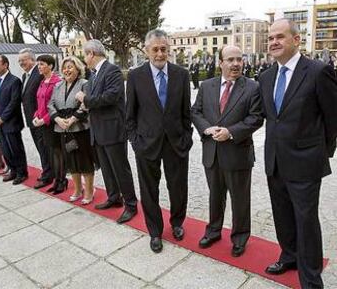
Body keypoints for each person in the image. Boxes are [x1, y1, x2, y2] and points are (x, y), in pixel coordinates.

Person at [259, 19, 337, 289]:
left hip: (306, 164)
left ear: (296, 40)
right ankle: (289, 256)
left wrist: (320, 153)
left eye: (280, 36)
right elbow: (267, 117)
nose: (274, 42)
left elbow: (332, 117)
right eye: (270, 38)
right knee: (282, 216)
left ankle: (311, 279)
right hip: (275, 161)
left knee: (306, 222)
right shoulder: (266, 76)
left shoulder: (318, 71)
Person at [191, 45, 263, 257]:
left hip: (238, 153)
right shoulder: (207, 86)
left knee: (240, 199)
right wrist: (206, 128)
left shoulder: (252, 87)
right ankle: (213, 231)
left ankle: (240, 237)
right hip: (211, 153)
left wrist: (230, 132)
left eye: (239, 59)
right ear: (220, 63)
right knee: (215, 196)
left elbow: (256, 117)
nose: (236, 64)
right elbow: (195, 111)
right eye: (230, 59)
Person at [126, 29, 193, 253]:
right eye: (155, 49)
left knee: (178, 187)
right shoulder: (135, 76)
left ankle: (177, 223)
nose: (160, 53)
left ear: (169, 50)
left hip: (176, 143)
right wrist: (135, 141)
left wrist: (186, 138)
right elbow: (130, 115)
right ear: (147, 50)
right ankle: (155, 231)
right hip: (146, 144)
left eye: (164, 49)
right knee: (149, 190)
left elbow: (186, 112)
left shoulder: (182, 75)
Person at [75, 39, 138, 224]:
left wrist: (86, 100)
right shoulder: (94, 74)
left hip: (113, 129)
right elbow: (97, 100)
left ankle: (131, 204)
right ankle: (114, 197)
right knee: (107, 168)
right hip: (98, 129)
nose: (84, 58)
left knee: (120, 169)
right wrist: (86, 106)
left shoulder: (112, 70)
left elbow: (111, 96)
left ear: (91, 54)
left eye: (85, 54)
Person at [49, 56, 96, 201]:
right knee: (71, 161)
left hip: (80, 128)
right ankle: (77, 189)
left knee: (84, 161)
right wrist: (58, 119)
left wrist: (72, 119)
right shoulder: (58, 85)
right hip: (62, 128)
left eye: (70, 67)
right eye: (64, 67)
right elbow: (50, 104)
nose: (66, 70)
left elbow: (86, 105)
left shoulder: (84, 84)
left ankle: (89, 191)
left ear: (78, 68)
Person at [0, 55, 28, 185]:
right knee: (5, 148)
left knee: (15, 148)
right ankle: (12, 170)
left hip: (11, 121)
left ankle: (22, 172)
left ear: (5, 65)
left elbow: (14, 102)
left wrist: (3, 117)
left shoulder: (14, 81)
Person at [18, 48, 53, 189]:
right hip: (31, 120)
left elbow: (42, 98)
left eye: (24, 60)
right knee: (40, 148)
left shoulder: (38, 75)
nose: (21, 63)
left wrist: (40, 117)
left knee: (44, 148)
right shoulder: (25, 76)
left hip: (40, 120)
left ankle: (48, 175)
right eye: (19, 61)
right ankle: (49, 172)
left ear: (32, 60)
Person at [31, 54, 64, 193]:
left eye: (42, 64)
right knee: (50, 152)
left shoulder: (57, 82)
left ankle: (61, 180)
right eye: (38, 64)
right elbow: (39, 103)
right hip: (42, 123)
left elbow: (55, 104)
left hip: (52, 122)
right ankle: (56, 179)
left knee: (58, 153)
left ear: (50, 66)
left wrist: (44, 119)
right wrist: (36, 116)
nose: (39, 67)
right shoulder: (42, 81)